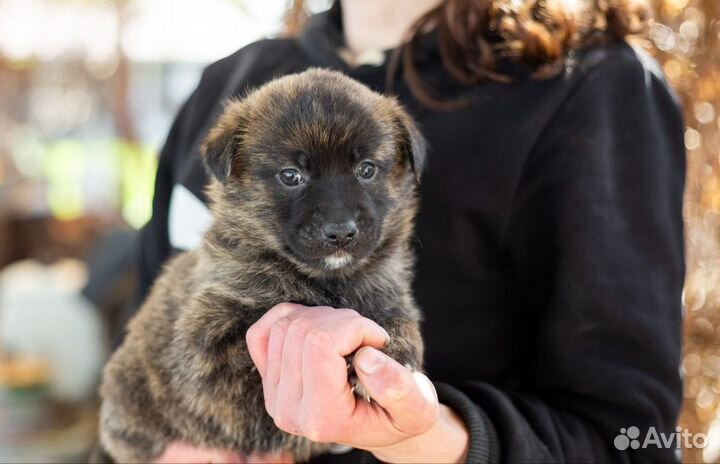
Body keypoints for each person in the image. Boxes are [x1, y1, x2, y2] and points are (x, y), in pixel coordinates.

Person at [133, 0, 686, 462]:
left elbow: (632, 439)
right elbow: (143, 340)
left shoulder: (590, 88)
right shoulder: (228, 84)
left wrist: (433, 435)